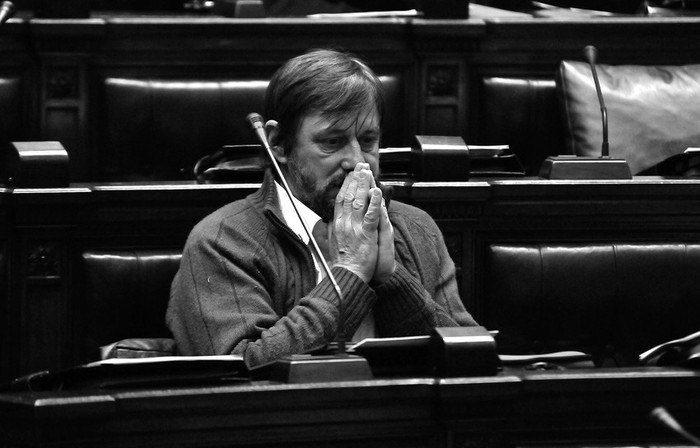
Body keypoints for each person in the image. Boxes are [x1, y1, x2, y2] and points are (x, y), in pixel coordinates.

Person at [166, 48, 478, 369]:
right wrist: (350, 273)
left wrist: (391, 278)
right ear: (279, 144)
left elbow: (467, 362)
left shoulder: (417, 228)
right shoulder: (222, 241)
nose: (357, 160)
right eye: (332, 141)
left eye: (368, 140)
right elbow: (240, 370)